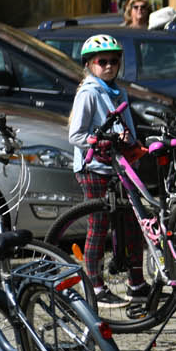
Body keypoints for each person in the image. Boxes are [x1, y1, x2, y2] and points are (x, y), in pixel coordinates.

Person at [66, 33, 148, 307]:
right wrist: (98, 141)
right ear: (89, 64)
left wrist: (131, 142)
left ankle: (137, 282)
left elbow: (127, 128)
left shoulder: (118, 91)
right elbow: (75, 135)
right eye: (103, 61)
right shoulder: (88, 93)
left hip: (119, 166)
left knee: (133, 222)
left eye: (115, 60)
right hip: (93, 166)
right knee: (99, 224)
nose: (110, 66)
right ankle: (95, 287)